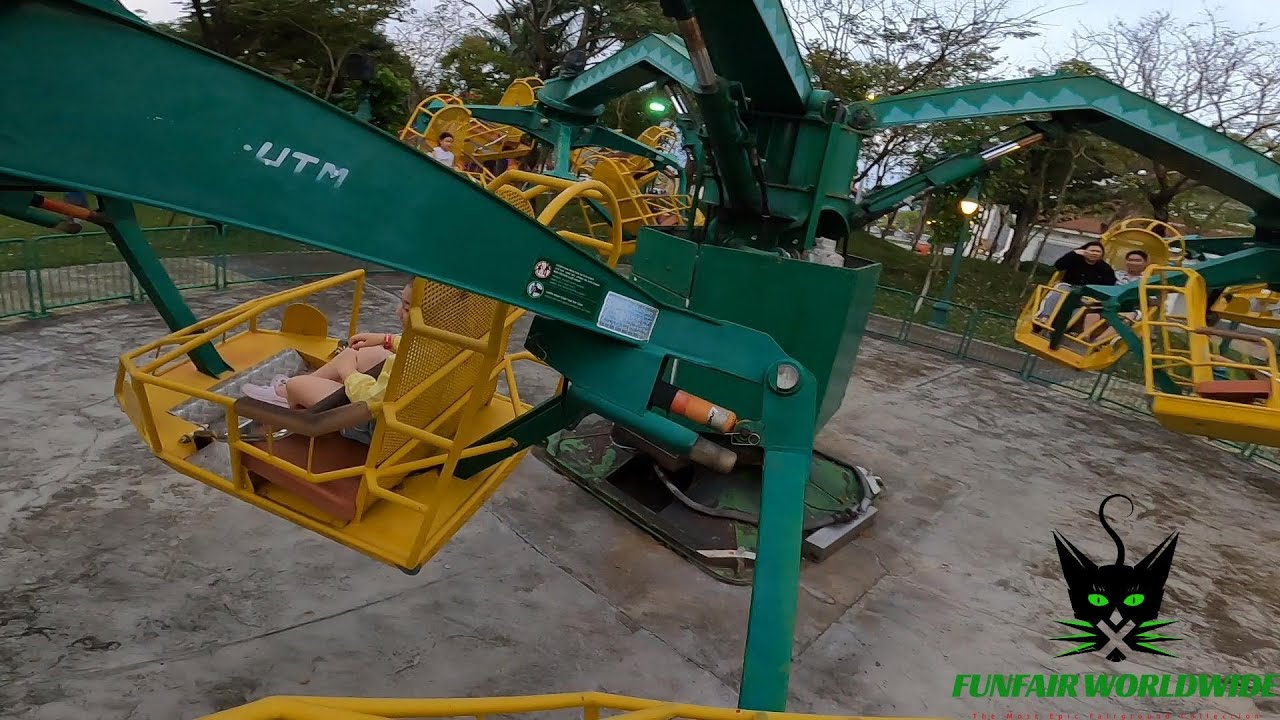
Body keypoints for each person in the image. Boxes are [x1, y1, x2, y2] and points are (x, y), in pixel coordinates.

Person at [241, 283, 414, 414]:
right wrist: (387, 340)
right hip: (404, 407)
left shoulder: (402, 364)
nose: (397, 312)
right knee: (362, 352)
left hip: (370, 423)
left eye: (406, 308)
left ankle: (291, 395)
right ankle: (284, 393)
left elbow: (370, 400)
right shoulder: (432, 344)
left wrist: (348, 372)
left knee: (297, 384)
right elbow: (410, 348)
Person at [1036, 241, 1116, 322]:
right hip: (1069, 286)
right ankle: (1045, 316)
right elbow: (1058, 266)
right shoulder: (1075, 259)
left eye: (1098, 251)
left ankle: (1062, 329)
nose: (1094, 253)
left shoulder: (1105, 268)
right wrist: (1073, 253)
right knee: (1059, 291)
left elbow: (1109, 285)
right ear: (1084, 251)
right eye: (1092, 250)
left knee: (1082, 309)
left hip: (1087, 293)